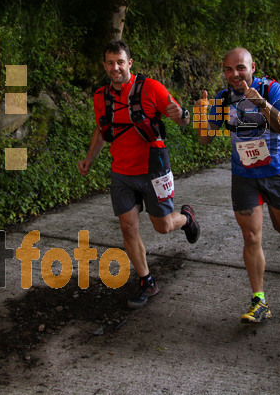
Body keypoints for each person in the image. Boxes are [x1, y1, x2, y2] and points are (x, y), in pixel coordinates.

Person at [78, 40, 200, 309]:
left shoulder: (151, 88)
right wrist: (90, 158)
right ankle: (147, 281)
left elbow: (181, 118)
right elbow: (101, 130)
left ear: (129, 63)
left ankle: (187, 218)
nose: (115, 67)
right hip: (121, 170)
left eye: (120, 62)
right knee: (128, 227)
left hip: (153, 166)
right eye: (110, 62)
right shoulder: (101, 96)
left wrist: (182, 114)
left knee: (163, 226)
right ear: (104, 65)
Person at [195, 47, 280, 323]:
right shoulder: (224, 98)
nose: (234, 74)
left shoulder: (272, 90)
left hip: (276, 170)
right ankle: (259, 300)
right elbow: (205, 139)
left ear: (253, 67)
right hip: (244, 174)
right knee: (251, 237)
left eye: (240, 68)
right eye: (229, 69)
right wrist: (201, 115)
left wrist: (262, 104)